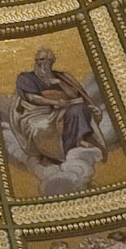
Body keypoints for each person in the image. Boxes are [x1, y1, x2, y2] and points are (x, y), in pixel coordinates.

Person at [8, 48, 105, 181]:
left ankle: (77, 140)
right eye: (37, 60)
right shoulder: (26, 78)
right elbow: (32, 98)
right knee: (39, 127)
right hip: (37, 112)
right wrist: (54, 102)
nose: (39, 63)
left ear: (51, 61)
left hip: (65, 107)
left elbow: (73, 94)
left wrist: (59, 83)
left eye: (43, 60)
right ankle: (51, 155)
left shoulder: (62, 77)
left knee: (79, 109)